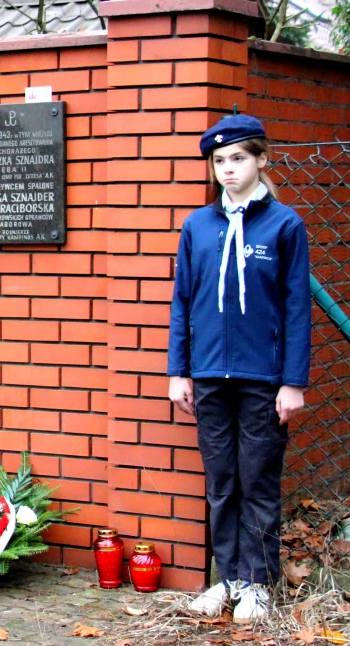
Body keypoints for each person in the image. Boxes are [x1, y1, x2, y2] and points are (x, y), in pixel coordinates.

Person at [168, 115, 310, 623]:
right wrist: (177, 371)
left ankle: (257, 582)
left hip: (263, 381)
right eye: (219, 161)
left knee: (258, 481)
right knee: (221, 481)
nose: (227, 169)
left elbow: (296, 307)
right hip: (207, 376)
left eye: (238, 159)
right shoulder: (197, 226)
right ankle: (225, 577)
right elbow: (183, 301)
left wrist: (293, 381)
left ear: (261, 160)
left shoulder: (284, 225)